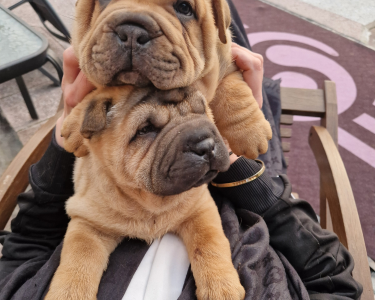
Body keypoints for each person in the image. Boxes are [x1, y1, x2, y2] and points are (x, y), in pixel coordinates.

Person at [0, 1, 362, 299]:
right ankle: (203, 26)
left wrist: (66, 138)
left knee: (214, 47)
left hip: (121, 152)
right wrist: (245, 169)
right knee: (221, 54)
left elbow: (24, 245)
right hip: (230, 174)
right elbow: (336, 279)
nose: (133, 34)